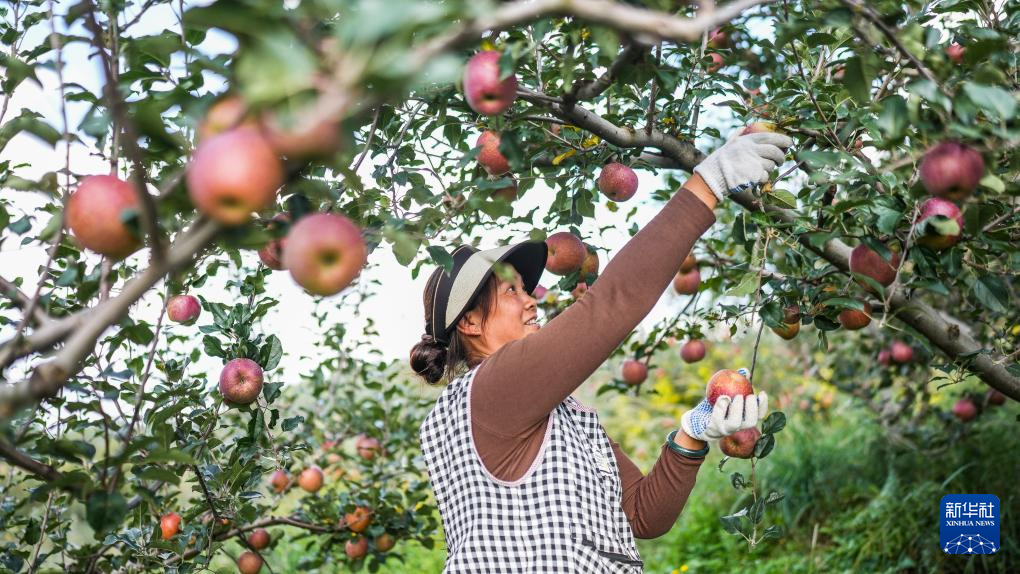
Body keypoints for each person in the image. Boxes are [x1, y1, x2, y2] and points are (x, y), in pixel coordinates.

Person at [410, 130, 793, 573]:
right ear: (471, 323)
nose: (532, 299)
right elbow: (612, 303)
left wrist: (694, 432)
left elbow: (641, 515)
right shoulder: (491, 391)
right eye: (512, 292)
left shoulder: (557, 414)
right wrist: (709, 183)